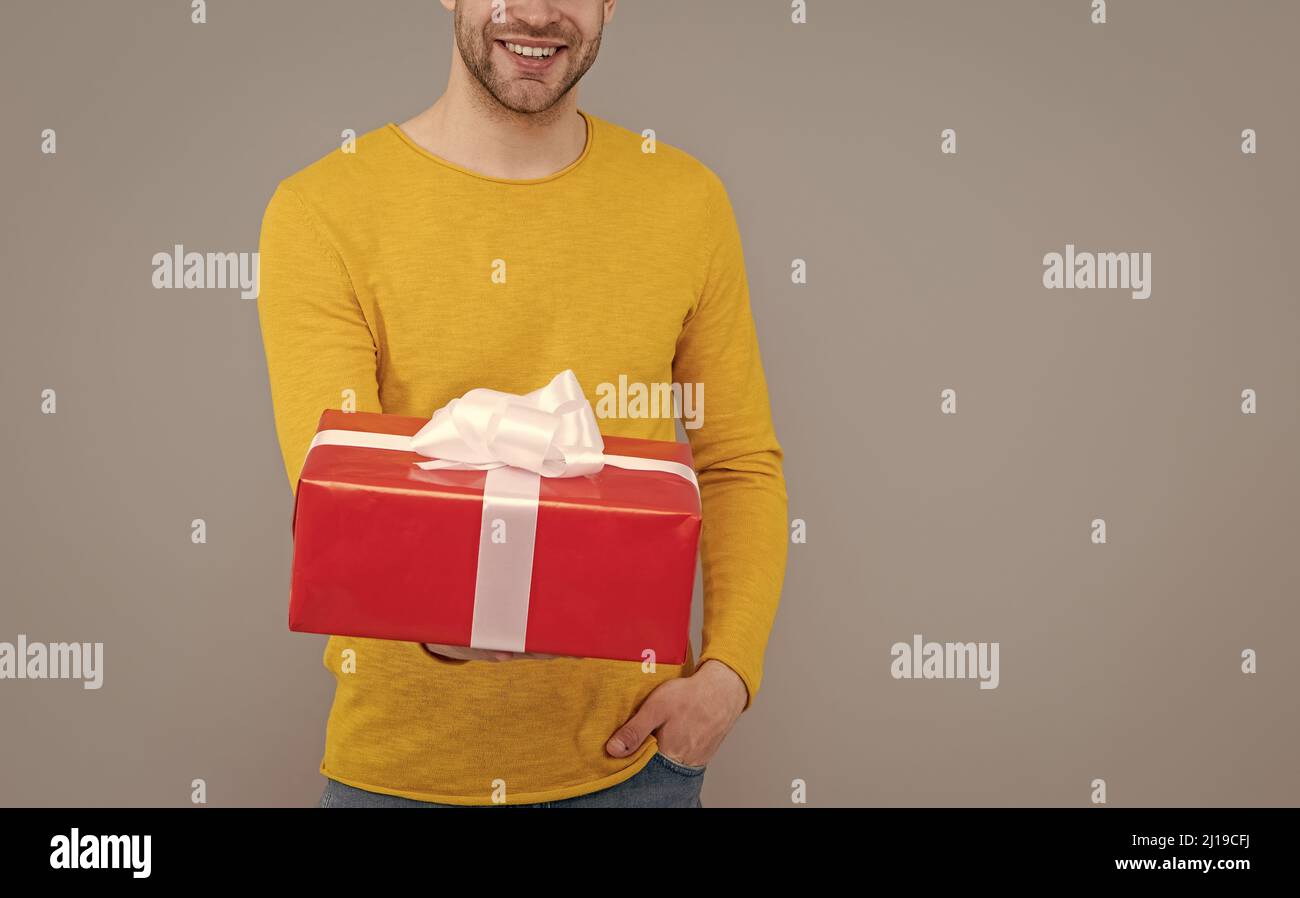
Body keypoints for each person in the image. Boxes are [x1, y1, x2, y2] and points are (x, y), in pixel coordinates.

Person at [257, 0, 788, 807]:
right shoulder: (322, 211)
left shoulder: (686, 200)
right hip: (404, 773)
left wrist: (727, 677)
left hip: (637, 769)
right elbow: (341, 490)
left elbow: (737, 462)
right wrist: (452, 623)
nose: (537, 14)